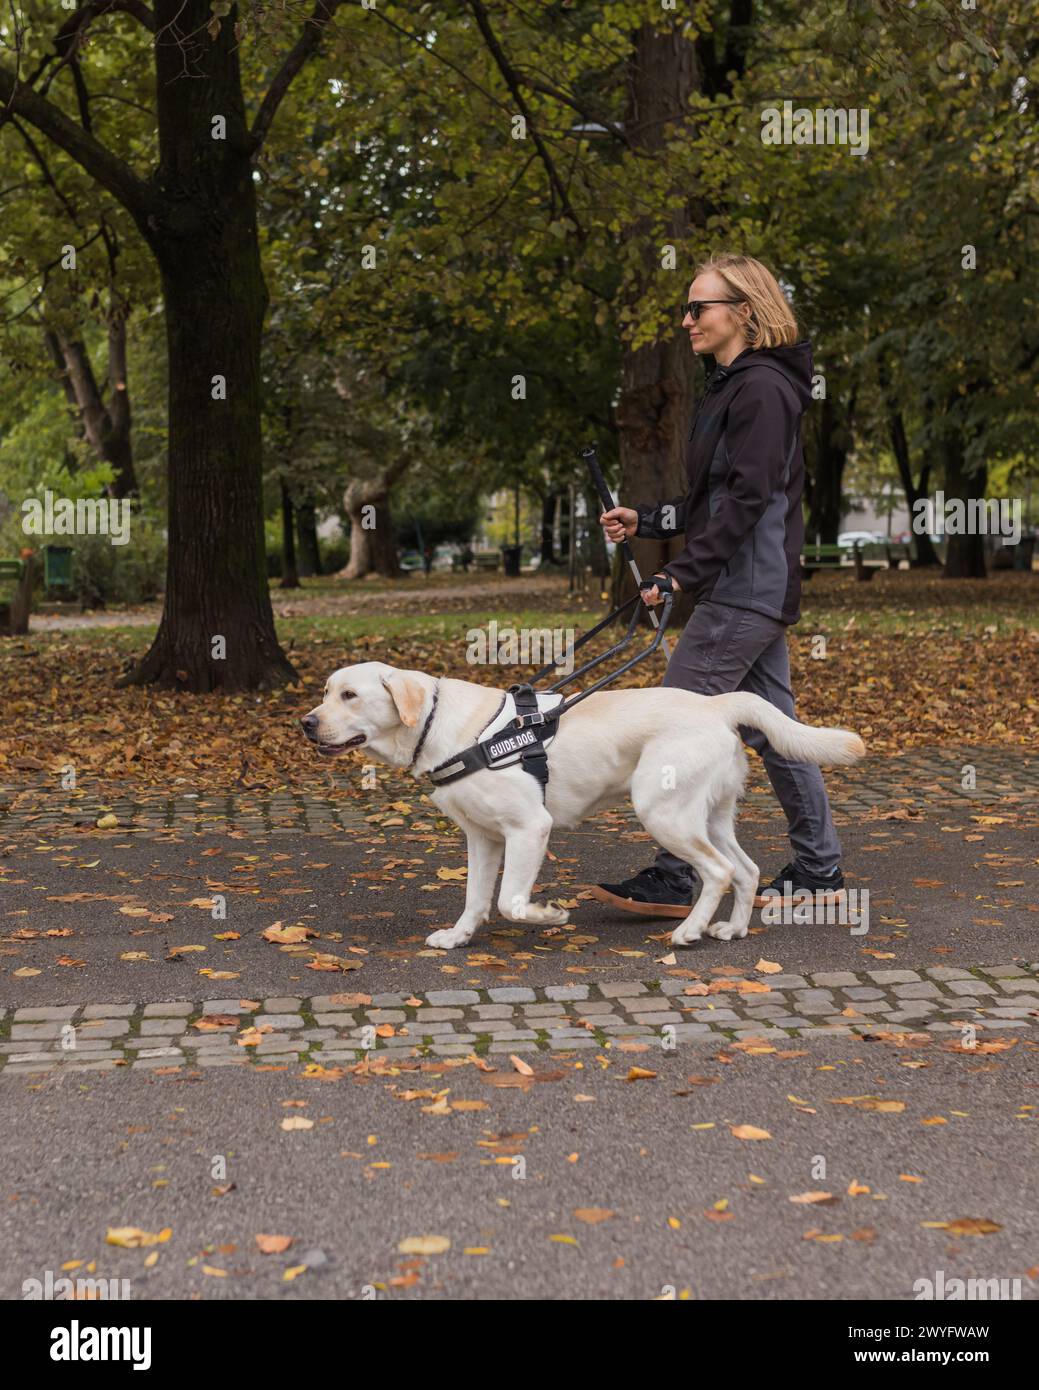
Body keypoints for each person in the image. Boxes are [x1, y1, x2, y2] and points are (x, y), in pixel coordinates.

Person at [591, 252, 846, 918]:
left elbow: (747, 497)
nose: (686, 320)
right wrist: (645, 519)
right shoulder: (730, 385)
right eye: (687, 308)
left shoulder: (760, 388)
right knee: (773, 731)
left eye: (698, 307)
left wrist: (681, 572)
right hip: (747, 588)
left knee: (677, 723)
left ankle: (678, 873)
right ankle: (818, 870)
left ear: (744, 310)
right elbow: (711, 498)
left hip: (744, 589)